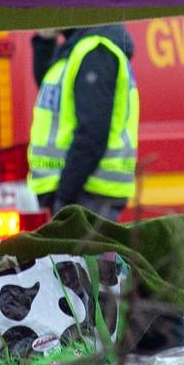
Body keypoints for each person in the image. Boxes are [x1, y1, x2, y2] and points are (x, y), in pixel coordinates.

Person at [27, 23, 140, 219]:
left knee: (87, 251)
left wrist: (64, 194)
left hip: (86, 194)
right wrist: (45, 42)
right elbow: (52, 94)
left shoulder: (94, 51)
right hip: (83, 193)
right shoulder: (78, 49)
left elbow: (93, 133)